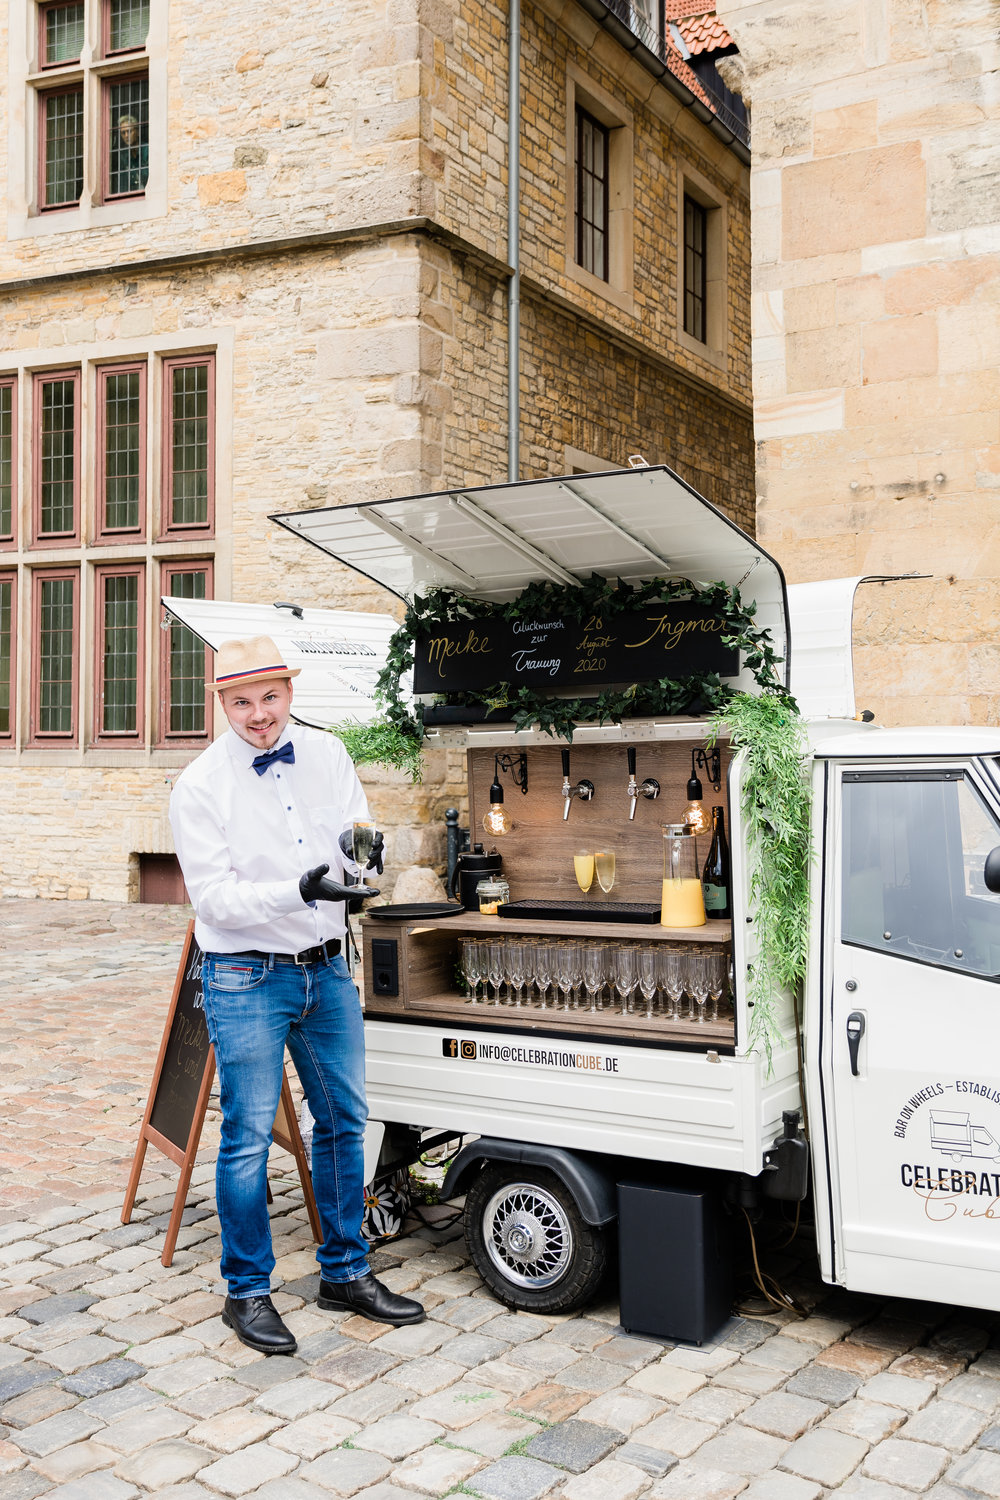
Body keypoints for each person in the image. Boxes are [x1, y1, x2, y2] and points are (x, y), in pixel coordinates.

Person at [168, 635, 424, 1355]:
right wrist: (298, 887)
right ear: (221, 703)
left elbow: (355, 832)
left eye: (270, 697)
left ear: (289, 690)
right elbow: (213, 901)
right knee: (247, 1138)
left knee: (344, 1122)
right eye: (242, 702)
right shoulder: (198, 787)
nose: (259, 715)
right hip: (244, 975)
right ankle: (245, 1293)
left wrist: (361, 861)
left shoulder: (329, 754)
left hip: (325, 967)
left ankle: (345, 1270)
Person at [111, 113, 148, 194]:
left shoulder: (147, 150)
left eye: (129, 131)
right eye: (123, 133)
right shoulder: (123, 157)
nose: (126, 135)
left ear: (137, 132)